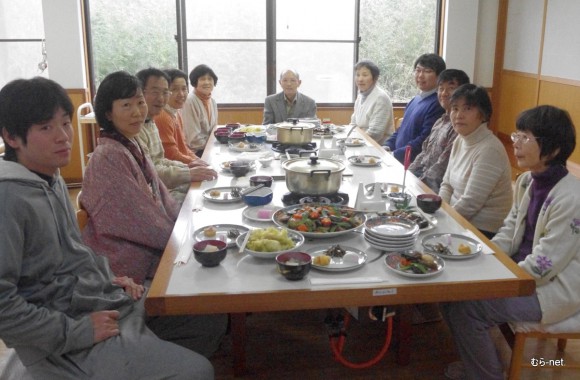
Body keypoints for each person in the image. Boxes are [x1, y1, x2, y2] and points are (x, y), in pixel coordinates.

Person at [0, 76, 213, 379]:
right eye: (46, 128)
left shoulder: (51, 178)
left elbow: (74, 252)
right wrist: (76, 332)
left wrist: (110, 277)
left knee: (207, 319)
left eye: (65, 123)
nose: (63, 137)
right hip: (66, 333)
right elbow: (4, 306)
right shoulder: (9, 197)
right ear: (11, 136)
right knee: (198, 371)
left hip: (97, 298)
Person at [80, 71, 227, 358]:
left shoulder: (130, 144)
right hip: (125, 265)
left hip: (145, 248)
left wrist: (189, 227)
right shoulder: (109, 156)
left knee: (209, 264)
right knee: (209, 290)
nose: (137, 112)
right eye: (126, 105)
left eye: (139, 103)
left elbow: (160, 195)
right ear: (107, 113)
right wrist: (184, 241)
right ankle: (161, 356)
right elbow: (141, 220)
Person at [442, 105, 580, 380]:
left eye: (525, 137)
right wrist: (484, 258)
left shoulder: (571, 198)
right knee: (450, 291)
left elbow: (545, 265)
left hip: (553, 290)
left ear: (552, 149)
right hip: (522, 274)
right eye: (517, 134)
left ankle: (488, 374)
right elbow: (508, 231)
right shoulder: (528, 180)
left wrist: (497, 280)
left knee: (468, 307)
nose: (514, 142)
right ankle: (478, 366)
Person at [439, 84, 512, 238]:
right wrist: (440, 211)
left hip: (482, 230)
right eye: (455, 108)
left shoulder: (489, 149)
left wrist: (443, 221)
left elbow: (471, 203)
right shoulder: (460, 139)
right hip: (457, 218)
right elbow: (446, 184)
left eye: (467, 109)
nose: (459, 115)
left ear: (484, 115)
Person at [136, 68, 216, 204]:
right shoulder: (159, 118)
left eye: (165, 92)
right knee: (201, 199)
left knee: (207, 189)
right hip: (153, 194)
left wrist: (190, 166)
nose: (161, 98)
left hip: (164, 181)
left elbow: (162, 159)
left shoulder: (154, 119)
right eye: (155, 92)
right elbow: (161, 162)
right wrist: (189, 169)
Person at [408, 69, 470, 192]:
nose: (444, 93)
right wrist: (407, 175)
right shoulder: (439, 121)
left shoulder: (459, 127)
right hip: (421, 181)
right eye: (441, 88)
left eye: (451, 88)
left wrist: (416, 185)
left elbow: (441, 166)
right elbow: (423, 153)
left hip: (437, 189)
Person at [384, 53, 446, 163]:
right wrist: (387, 146)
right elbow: (401, 130)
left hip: (412, 164)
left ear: (439, 76)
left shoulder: (437, 104)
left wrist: (395, 154)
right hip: (397, 159)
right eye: (418, 70)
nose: (420, 75)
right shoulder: (415, 99)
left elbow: (424, 140)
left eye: (427, 71)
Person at [154, 68, 205, 165]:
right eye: (174, 89)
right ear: (164, 91)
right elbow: (171, 154)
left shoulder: (176, 112)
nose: (181, 94)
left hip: (183, 164)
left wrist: (199, 161)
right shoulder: (162, 116)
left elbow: (184, 147)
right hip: (174, 169)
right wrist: (195, 162)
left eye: (184, 88)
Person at [349, 60, 395, 145]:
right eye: (357, 75)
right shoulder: (360, 96)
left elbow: (375, 133)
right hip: (362, 143)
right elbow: (353, 124)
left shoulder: (381, 98)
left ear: (375, 78)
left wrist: (355, 140)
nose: (360, 79)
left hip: (379, 148)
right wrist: (351, 138)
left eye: (365, 75)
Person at [182, 64, 219, 156]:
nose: (207, 82)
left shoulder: (212, 102)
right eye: (202, 79)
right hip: (194, 153)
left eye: (210, 79)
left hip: (209, 148)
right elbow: (193, 140)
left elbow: (214, 130)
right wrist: (213, 145)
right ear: (195, 82)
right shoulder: (189, 101)